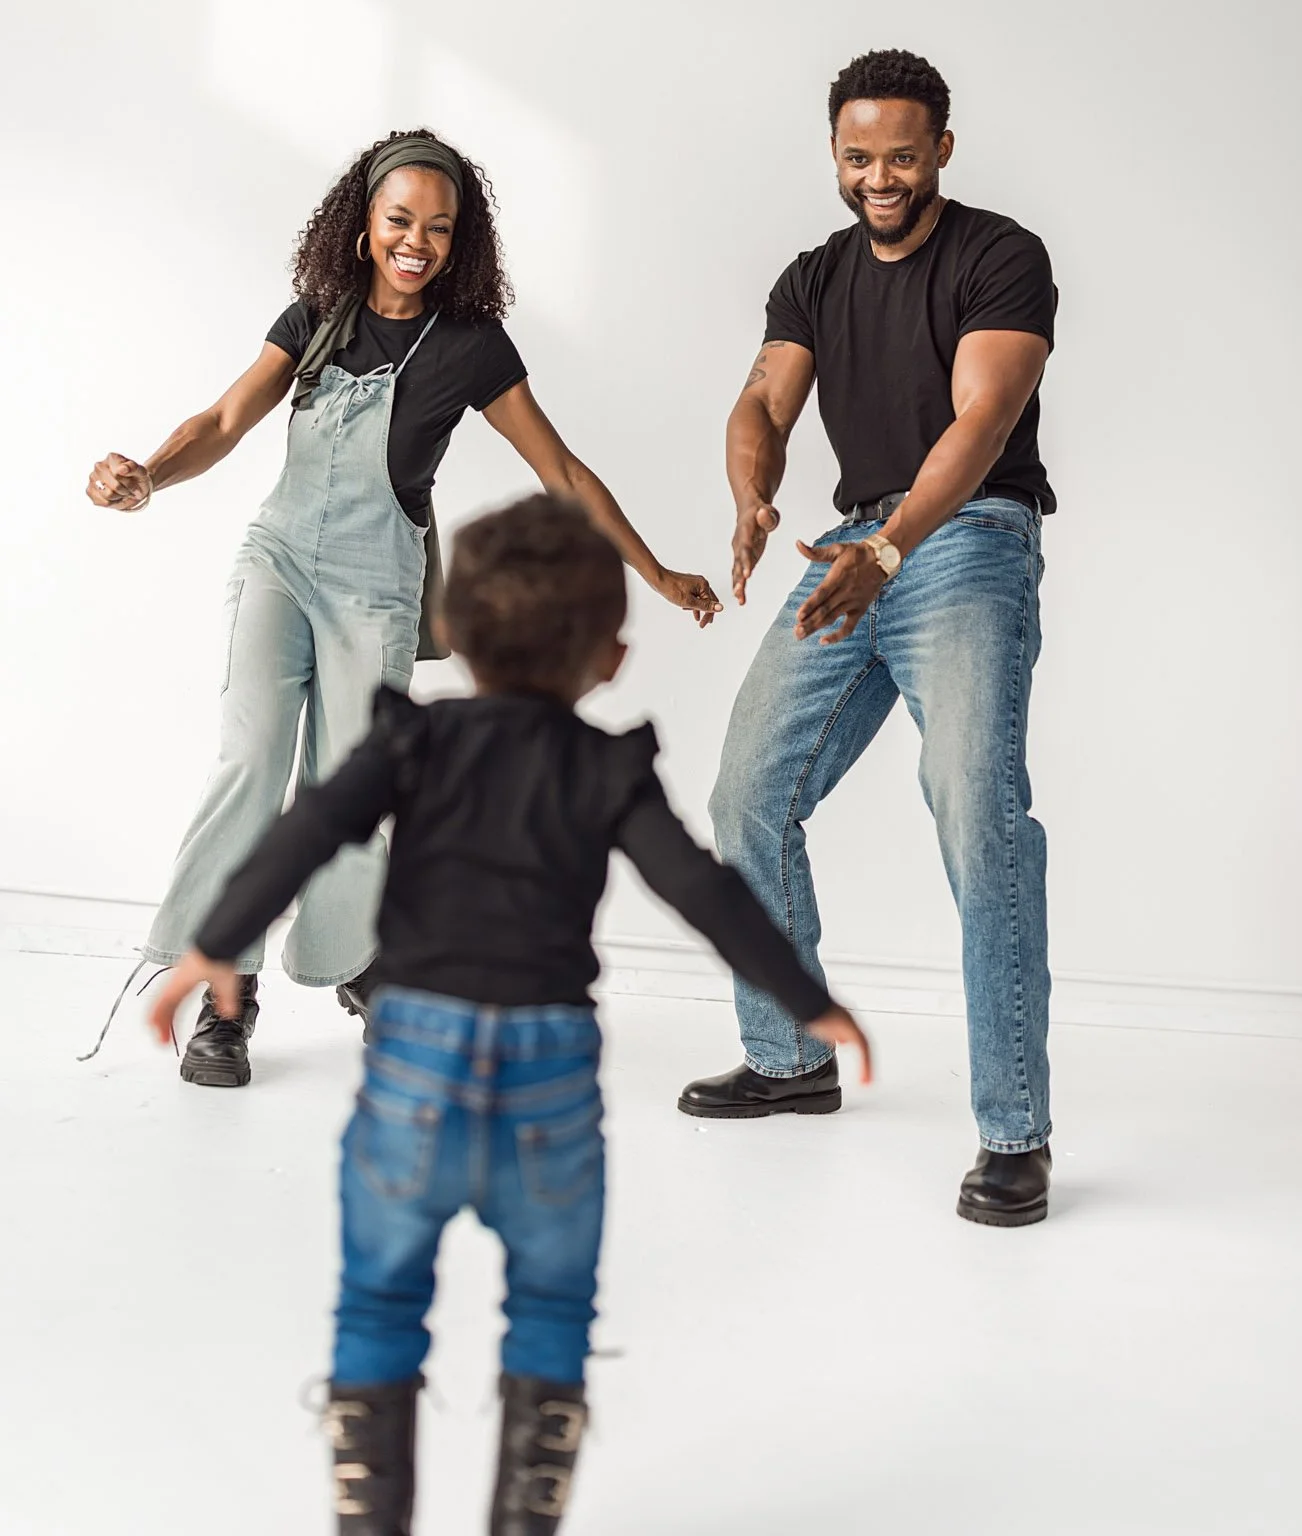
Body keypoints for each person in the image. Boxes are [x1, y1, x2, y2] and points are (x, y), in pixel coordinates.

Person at [148, 494, 872, 1535]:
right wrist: (810, 1002)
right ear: (611, 657)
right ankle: (523, 1514)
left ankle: (370, 1513)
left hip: (414, 1062)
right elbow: (700, 888)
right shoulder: (606, 766)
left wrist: (215, 943)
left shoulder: (410, 740)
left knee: (380, 1299)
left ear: (454, 636)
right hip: (547, 1071)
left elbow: (305, 830)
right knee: (549, 1303)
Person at [87, 129, 720, 1085]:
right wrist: (149, 475)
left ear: (460, 242)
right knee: (252, 757)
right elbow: (223, 421)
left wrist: (656, 569)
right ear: (362, 225)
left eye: (439, 226)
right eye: (398, 220)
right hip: (280, 557)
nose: (416, 240)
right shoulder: (317, 314)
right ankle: (224, 989)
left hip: (378, 582)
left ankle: (357, 961)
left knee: (354, 786)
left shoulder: (471, 347)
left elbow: (557, 469)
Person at [678, 49, 1058, 1227]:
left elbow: (983, 418)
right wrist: (751, 491)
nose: (878, 176)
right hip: (852, 546)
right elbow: (760, 402)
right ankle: (790, 1057)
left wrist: (892, 547)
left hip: (963, 540)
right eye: (857, 156)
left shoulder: (1000, 255)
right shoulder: (815, 275)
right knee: (745, 791)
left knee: (972, 804)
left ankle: (1014, 1134)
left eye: (900, 153)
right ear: (833, 154)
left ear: (941, 146)